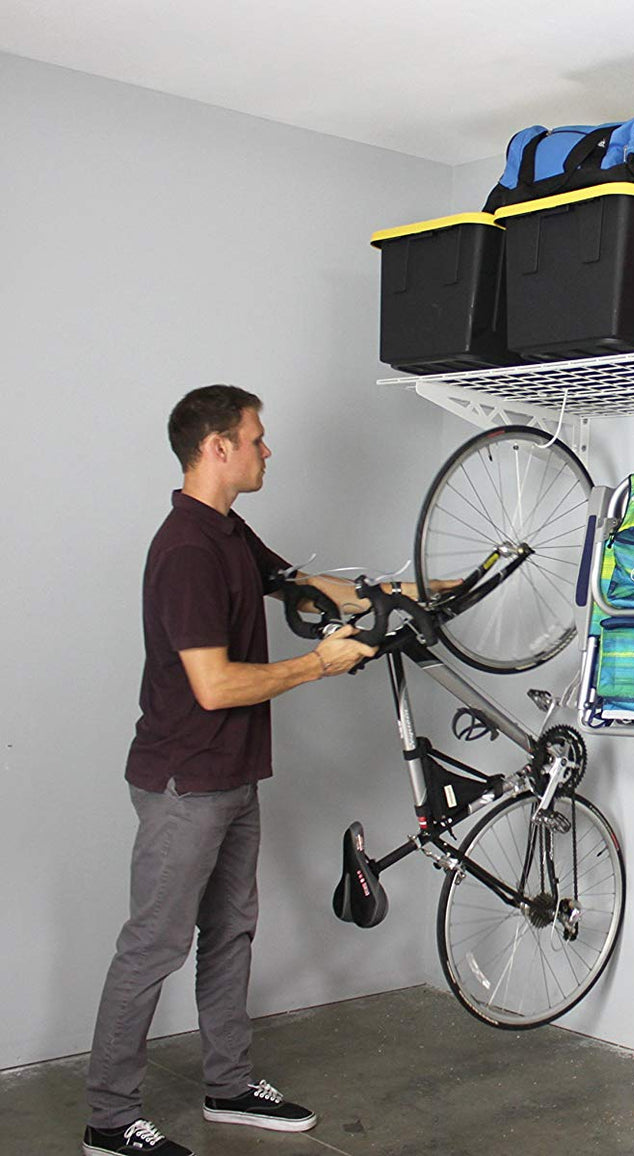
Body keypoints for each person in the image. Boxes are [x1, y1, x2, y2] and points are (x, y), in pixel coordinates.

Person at [83, 385, 409, 1156]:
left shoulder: (228, 531)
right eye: (257, 439)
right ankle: (107, 1117)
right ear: (217, 448)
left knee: (229, 931)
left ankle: (229, 1084)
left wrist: (396, 594)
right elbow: (215, 685)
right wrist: (319, 664)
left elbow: (298, 584)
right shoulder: (186, 550)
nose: (269, 451)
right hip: (182, 782)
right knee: (154, 945)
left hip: (231, 774)